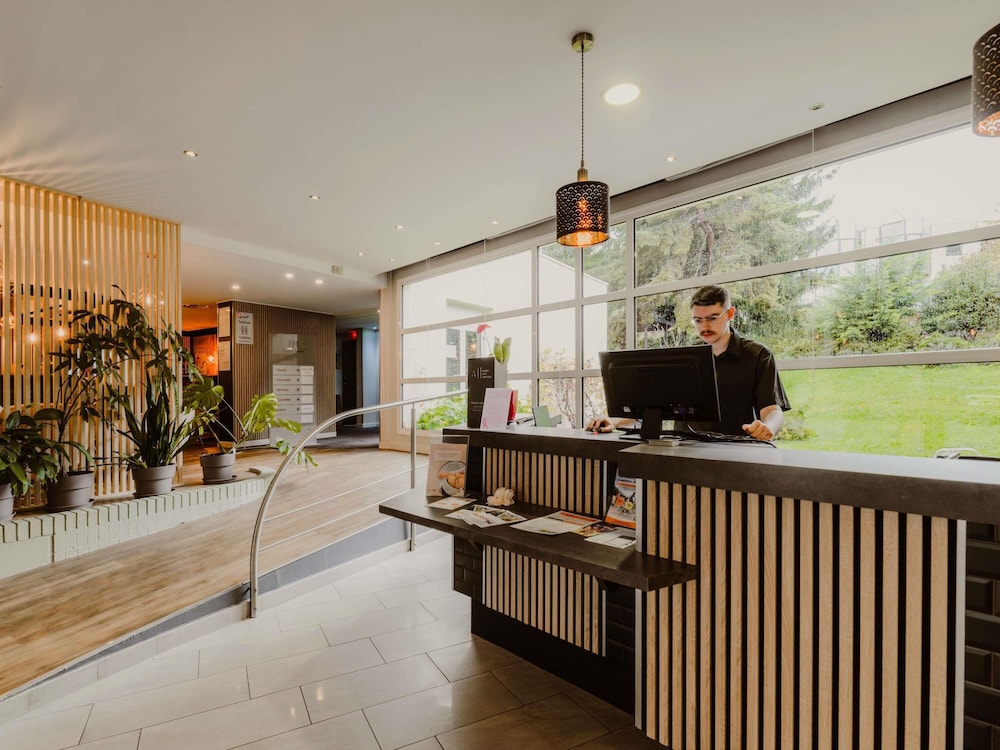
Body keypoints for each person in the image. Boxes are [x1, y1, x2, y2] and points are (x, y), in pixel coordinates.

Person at [585, 284, 790, 440]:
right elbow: (651, 407)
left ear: (730, 314)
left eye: (712, 318)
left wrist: (768, 427)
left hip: (736, 454)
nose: (704, 326)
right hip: (684, 454)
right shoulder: (684, 360)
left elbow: (772, 410)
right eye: (698, 320)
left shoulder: (758, 355)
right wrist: (612, 421)